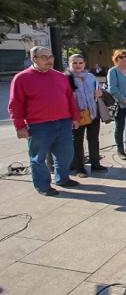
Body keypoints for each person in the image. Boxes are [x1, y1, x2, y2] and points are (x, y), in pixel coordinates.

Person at [9, 46, 81, 196]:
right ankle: (43, 186)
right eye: (44, 57)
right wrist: (19, 126)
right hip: (38, 125)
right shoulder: (22, 78)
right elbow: (15, 104)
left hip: (63, 122)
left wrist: (75, 117)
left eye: (51, 57)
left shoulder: (60, 76)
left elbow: (70, 99)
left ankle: (62, 178)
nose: (49, 60)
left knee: (65, 154)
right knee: (38, 158)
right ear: (33, 59)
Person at [67, 54, 107, 177]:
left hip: (93, 114)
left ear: (84, 64)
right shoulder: (66, 78)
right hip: (77, 115)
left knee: (94, 140)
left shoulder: (90, 77)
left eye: (80, 63)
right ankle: (80, 168)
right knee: (77, 142)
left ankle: (95, 164)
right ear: (70, 64)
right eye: (74, 63)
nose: (78, 65)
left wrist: (100, 92)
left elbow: (99, 90)